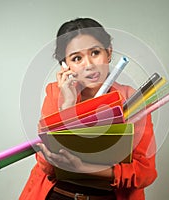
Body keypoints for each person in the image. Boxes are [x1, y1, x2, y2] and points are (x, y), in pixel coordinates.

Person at [19, 18, 157, 200]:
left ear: (109, 53)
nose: (89, 65)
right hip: (57, 195)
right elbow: (48, 166)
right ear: (65, 65)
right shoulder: (55, 93)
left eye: (95, 52)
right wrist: (67, 105)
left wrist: (85, 169)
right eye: (77, 58)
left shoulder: (132, 99)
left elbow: (144, 172)